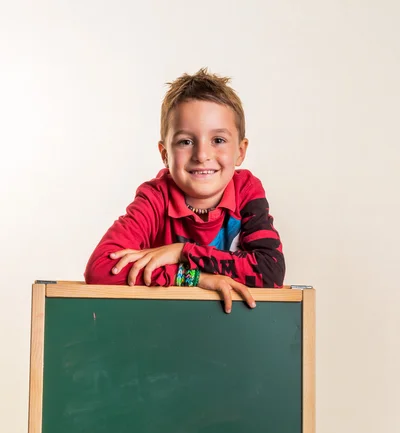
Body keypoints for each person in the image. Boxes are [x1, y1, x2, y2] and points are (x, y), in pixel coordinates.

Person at [85, 68, 285, 313]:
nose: (202, 155)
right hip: (162, 330)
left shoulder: (246, 191)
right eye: (185, 142)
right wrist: (194, 277)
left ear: (240, 152)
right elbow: (101, 269)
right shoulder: (155, 198)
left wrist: (182, 252)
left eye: (218, 140)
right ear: (164, 154)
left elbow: (270, 272)